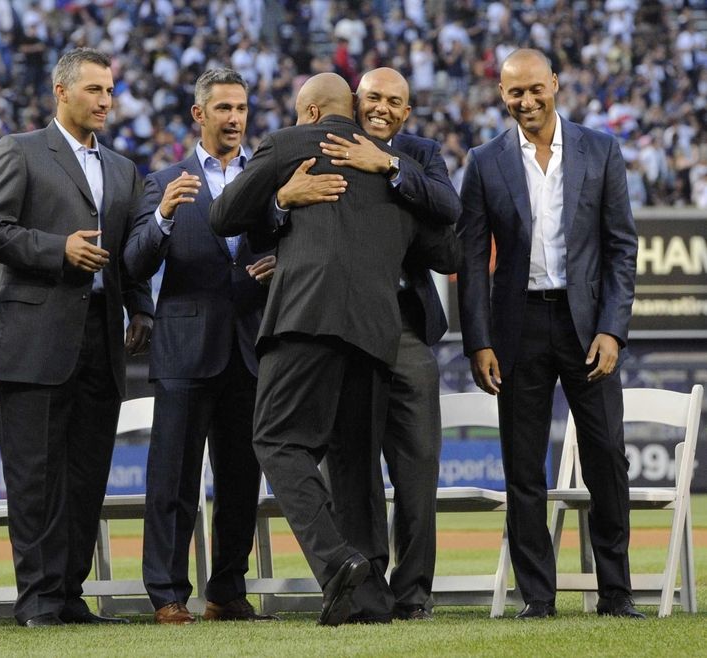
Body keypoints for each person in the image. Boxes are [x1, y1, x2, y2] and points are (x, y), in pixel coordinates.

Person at [210, 72, 460, 626]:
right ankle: (368, 599)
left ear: (312, 113)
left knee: (275, 439)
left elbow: (222, 216)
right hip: (376, 331)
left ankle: (339, 559)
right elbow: (448, 245)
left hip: (307, 316)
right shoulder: (400, 173)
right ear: (353, 105)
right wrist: (288, 201)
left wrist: (276, 192)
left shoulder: (291, 143)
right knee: (353, 460)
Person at [0, 48, 154, 627]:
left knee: (85, 474)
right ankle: (38, 600)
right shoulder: (20, 151)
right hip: (34, 339)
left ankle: (69, 597)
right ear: (61, 91)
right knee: (36, 478)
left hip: (102, 338)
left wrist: (141, 308)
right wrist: (58, 250)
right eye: (94, 90)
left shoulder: (123, 169)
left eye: (110, 90)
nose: (105, 101)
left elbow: (127, 256)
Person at [457, 48, 642, 619]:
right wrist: (478, 340)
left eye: (536, 88)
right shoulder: (484, 161)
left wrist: (613, 329)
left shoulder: (601, 150)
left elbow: (621, 249)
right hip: (517, 328)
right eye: (515, 92)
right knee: (522, 465)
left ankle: (616, 593)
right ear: (501, 94)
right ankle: (538, 597)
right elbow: (469, 258)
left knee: (607, 456)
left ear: (555, 84)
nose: (526, 101)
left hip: (587, 325)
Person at [123, 68, 277, 625]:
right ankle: (166, 594)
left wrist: (280, 263)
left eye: (241, 107)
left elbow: (288, 245)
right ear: (199, 114)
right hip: (185, 351)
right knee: (173, 479)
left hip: (250, 348)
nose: (235, 118)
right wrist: (163, 215)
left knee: (241, 479)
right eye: (224, 109)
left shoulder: (264, 178)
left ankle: (226, 591)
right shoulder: (162, 181)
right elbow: (134, 262)